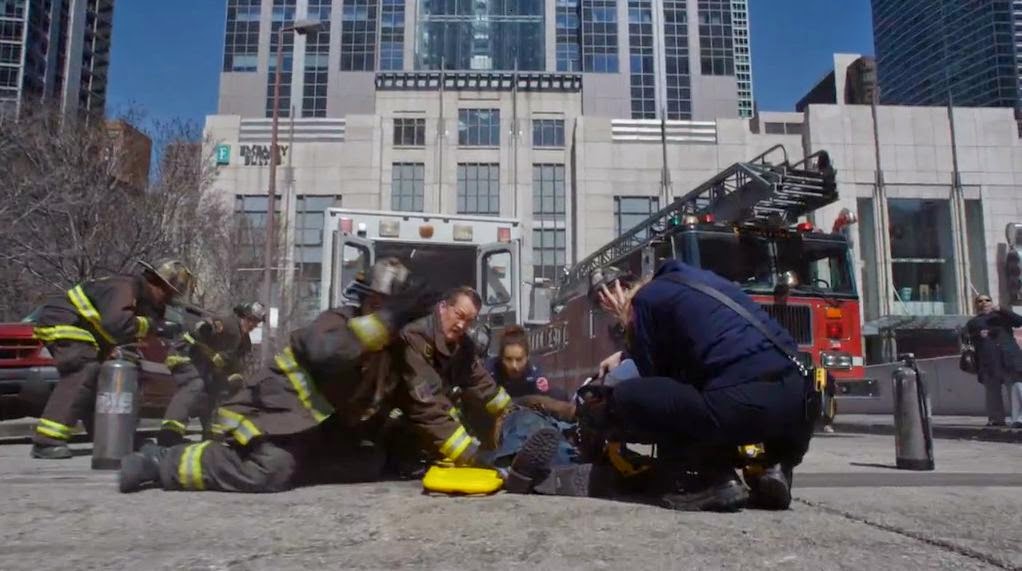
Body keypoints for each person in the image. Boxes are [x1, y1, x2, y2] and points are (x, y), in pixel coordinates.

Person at [511, 260, 818, 512]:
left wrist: (628, 327)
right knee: (718, 390)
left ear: (618, 292)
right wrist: (626, 353)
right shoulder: (698, 283)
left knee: (631, 397)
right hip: (798, 406)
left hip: (741, 405)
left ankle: (711, 479)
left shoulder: (644, 302)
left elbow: (656, 380)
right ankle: (774, 469)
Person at [118, 258, 438, 493]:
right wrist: (388, 319)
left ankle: (293, 465)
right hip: (273, 417)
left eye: (392, 308)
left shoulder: (395, 351)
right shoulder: (336, 321)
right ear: (367, 300)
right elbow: (328, 352)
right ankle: (162, 461)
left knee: (366, 462)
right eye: (378, 304)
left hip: (316, 431)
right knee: (271, 469)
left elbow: (425, 401)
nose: (384, 313)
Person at [29, 258, 194, 459]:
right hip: (65, 320)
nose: (167, 300)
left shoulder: (143, 298)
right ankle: (46, 441)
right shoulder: (125, 287)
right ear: (155, 282)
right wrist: (154, 326)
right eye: (167, 293)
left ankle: (112, 436)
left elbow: (122, 330)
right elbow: (117, 324)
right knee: (84, 368)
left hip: (89, 330)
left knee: (107, 377)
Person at [398, 286, 515, 463]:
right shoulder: (415, 337)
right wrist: (469, 454)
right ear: (443, 307)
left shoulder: (463, 345)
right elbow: (426, 402)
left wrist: (511, 413)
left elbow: (480, 381)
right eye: (459, 315)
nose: (462, 325)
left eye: (469, 321)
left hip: (433, 418)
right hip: (400, 416)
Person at [156, 301, 266, 446]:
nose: (253, 324)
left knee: (218, 390)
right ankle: (169, 434)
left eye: (256, 322)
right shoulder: (227, 323)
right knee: (196, 383)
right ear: (241, 316)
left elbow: (236, 366)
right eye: (250, 319)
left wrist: (234, 380)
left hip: (204, 366)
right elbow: (204, 327)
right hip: (185, 355)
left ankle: (212, 436)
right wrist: (206, 332)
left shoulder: (245, 342)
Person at [966, 294, 1022, 427]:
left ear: (991, 302)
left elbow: (1019, 321)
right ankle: (996, 419)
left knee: (1016, 388)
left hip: (1009, 358)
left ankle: (1019, 419)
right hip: (989, 361)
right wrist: (978, 335)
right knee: (992, 392)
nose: (984, 303)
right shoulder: (973, 322)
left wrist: (1002, 309)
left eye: (987, 300)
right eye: (980, 301)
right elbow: (968, 339)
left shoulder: (1001, 316)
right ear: (976, 305)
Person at [485, 325, 568, 401]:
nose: (514, 366)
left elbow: (547, 399)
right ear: (501, 357)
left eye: (519, 359)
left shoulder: (536, 375)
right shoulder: (488, 371)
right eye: (508, 359)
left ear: (527, 357)